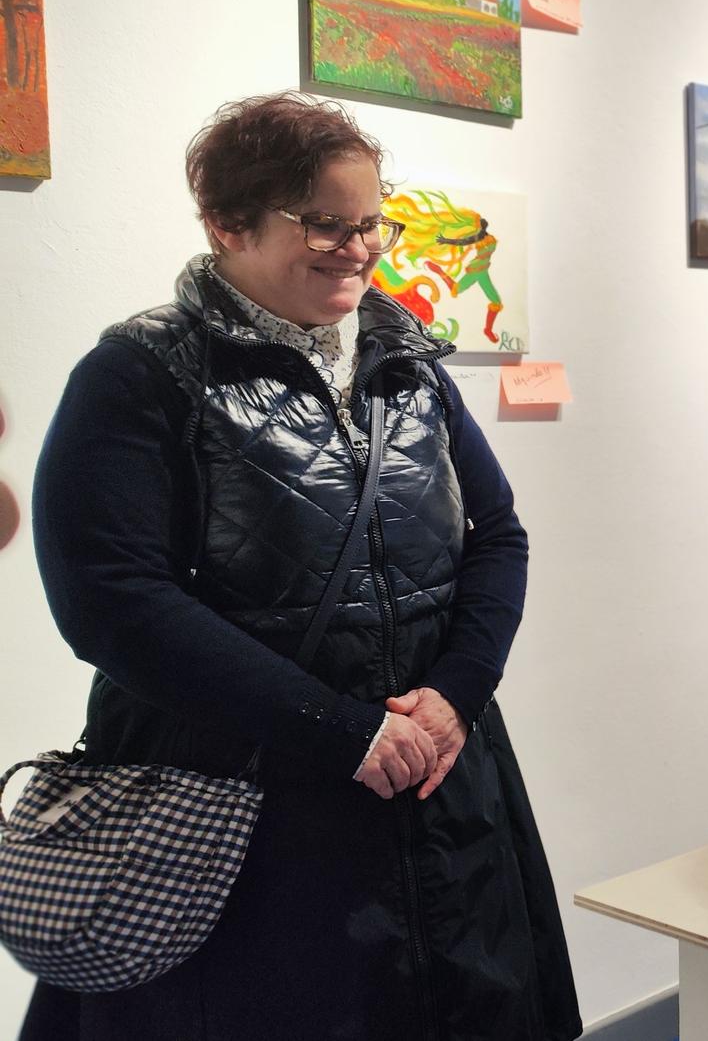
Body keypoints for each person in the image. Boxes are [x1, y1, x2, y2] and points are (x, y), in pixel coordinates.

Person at [23, 93, 580, 1040]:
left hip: (441, 796)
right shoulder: (141, 372)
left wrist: (454, 695)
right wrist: (341, 732)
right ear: (226, 222)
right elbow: (111, 602)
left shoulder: (409, 365)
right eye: (326, 222)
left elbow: (499, 536)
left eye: (372, 222)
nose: (358, 248)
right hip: (243, 810)